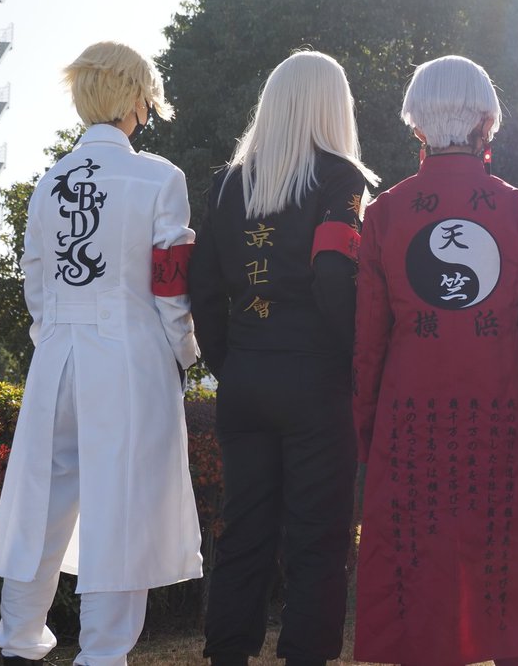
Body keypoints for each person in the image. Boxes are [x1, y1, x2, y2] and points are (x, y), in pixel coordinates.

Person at [0, 41, 203, 665]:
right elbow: (170, 284)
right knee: (122, 504)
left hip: (57, 356)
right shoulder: (159, 178)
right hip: (129, 356)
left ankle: (19, 636)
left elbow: (35, 282)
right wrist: (184, 351)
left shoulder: (49, 183)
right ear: (136, 98)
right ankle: (104, 652)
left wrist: (55, 338)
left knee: (43, 499)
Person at [353, 55, 518, 666]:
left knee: (417, 578)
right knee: (504, 573)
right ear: (486, 123)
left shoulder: (384, 212)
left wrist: (366, 432)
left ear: (417, 125)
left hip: (408, 418)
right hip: (499, 413)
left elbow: (369, 342)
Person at [190, 51, 377, 666]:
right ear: (333, 106)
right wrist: (353, 361)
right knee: (317, 538)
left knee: (243, 531)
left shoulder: (227, 183)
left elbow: (204, 288)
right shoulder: (342, 179)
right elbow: (334, 275)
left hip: (245, 376)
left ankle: (227, 654)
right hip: (316, 379)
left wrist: (230, 364)